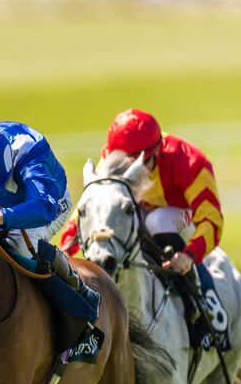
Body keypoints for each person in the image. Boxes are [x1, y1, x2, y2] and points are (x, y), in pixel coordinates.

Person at [60, 108, 224, 277]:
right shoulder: (114, 163)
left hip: (180, 215)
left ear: (156, 153)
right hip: (136, 208)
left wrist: (189, 255)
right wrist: (66, 250)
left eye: (135, 165)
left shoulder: (190, 163)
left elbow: (212, 219)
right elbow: (90, 207)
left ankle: (192, 286)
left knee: (157, 220)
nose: (128, 172)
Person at [0, 121, 93, 304]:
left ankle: (75, 287)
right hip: (1, 203)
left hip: (50, 201)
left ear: (10, 164)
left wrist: (0, 217)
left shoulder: (30, 155)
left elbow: (43, 207)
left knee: (20, 246)